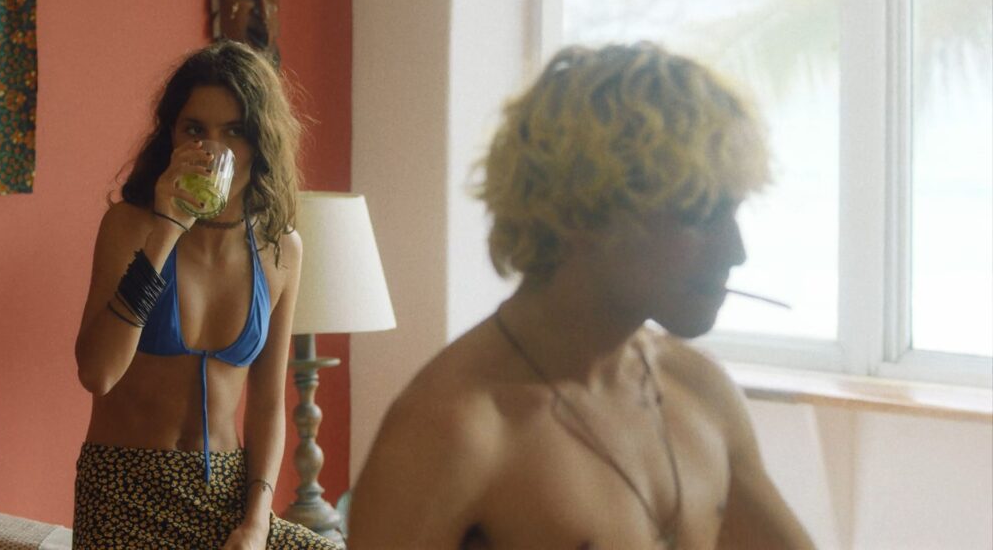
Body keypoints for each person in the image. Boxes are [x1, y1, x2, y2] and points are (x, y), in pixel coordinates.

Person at [348, 42, 816, 549]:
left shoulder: (699, 389)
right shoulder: (452, 429)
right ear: (583, 211)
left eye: (733, 212)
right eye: (699, 214)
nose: (735, 251)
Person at [73, 41, 336, 549]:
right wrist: (167, 231)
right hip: (124, 490)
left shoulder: (281, 249)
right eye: (195, 130)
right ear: (172, 136)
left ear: (261, 140)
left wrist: (257, 522)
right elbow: (97, 373)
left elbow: (267, 402)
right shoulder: (130, 226)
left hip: (229, 494)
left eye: (234, 131)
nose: (213, 149)